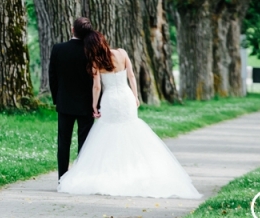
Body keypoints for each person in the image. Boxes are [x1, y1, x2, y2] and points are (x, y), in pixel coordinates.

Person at [57, 28, 201, 199]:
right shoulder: (122, 53)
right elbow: (132, 76)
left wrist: (94, 105)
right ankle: (138, 169)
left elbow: (97, 87)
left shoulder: (95, 62)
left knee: (109, 134)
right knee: (132, 130)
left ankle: (113, 170)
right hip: (126, 98)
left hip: (110, 100)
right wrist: (135, 96)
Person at [49, 17, 96, 179]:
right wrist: (97, 104)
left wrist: (57, 99)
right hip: (87, 104)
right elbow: (97, 80)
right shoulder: (91, 51)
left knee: (64, 142)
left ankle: (62, 178)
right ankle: (81, 177)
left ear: (72, 30)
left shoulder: (58, 49)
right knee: (84, 143)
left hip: (65, 103)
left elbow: (52, 78)